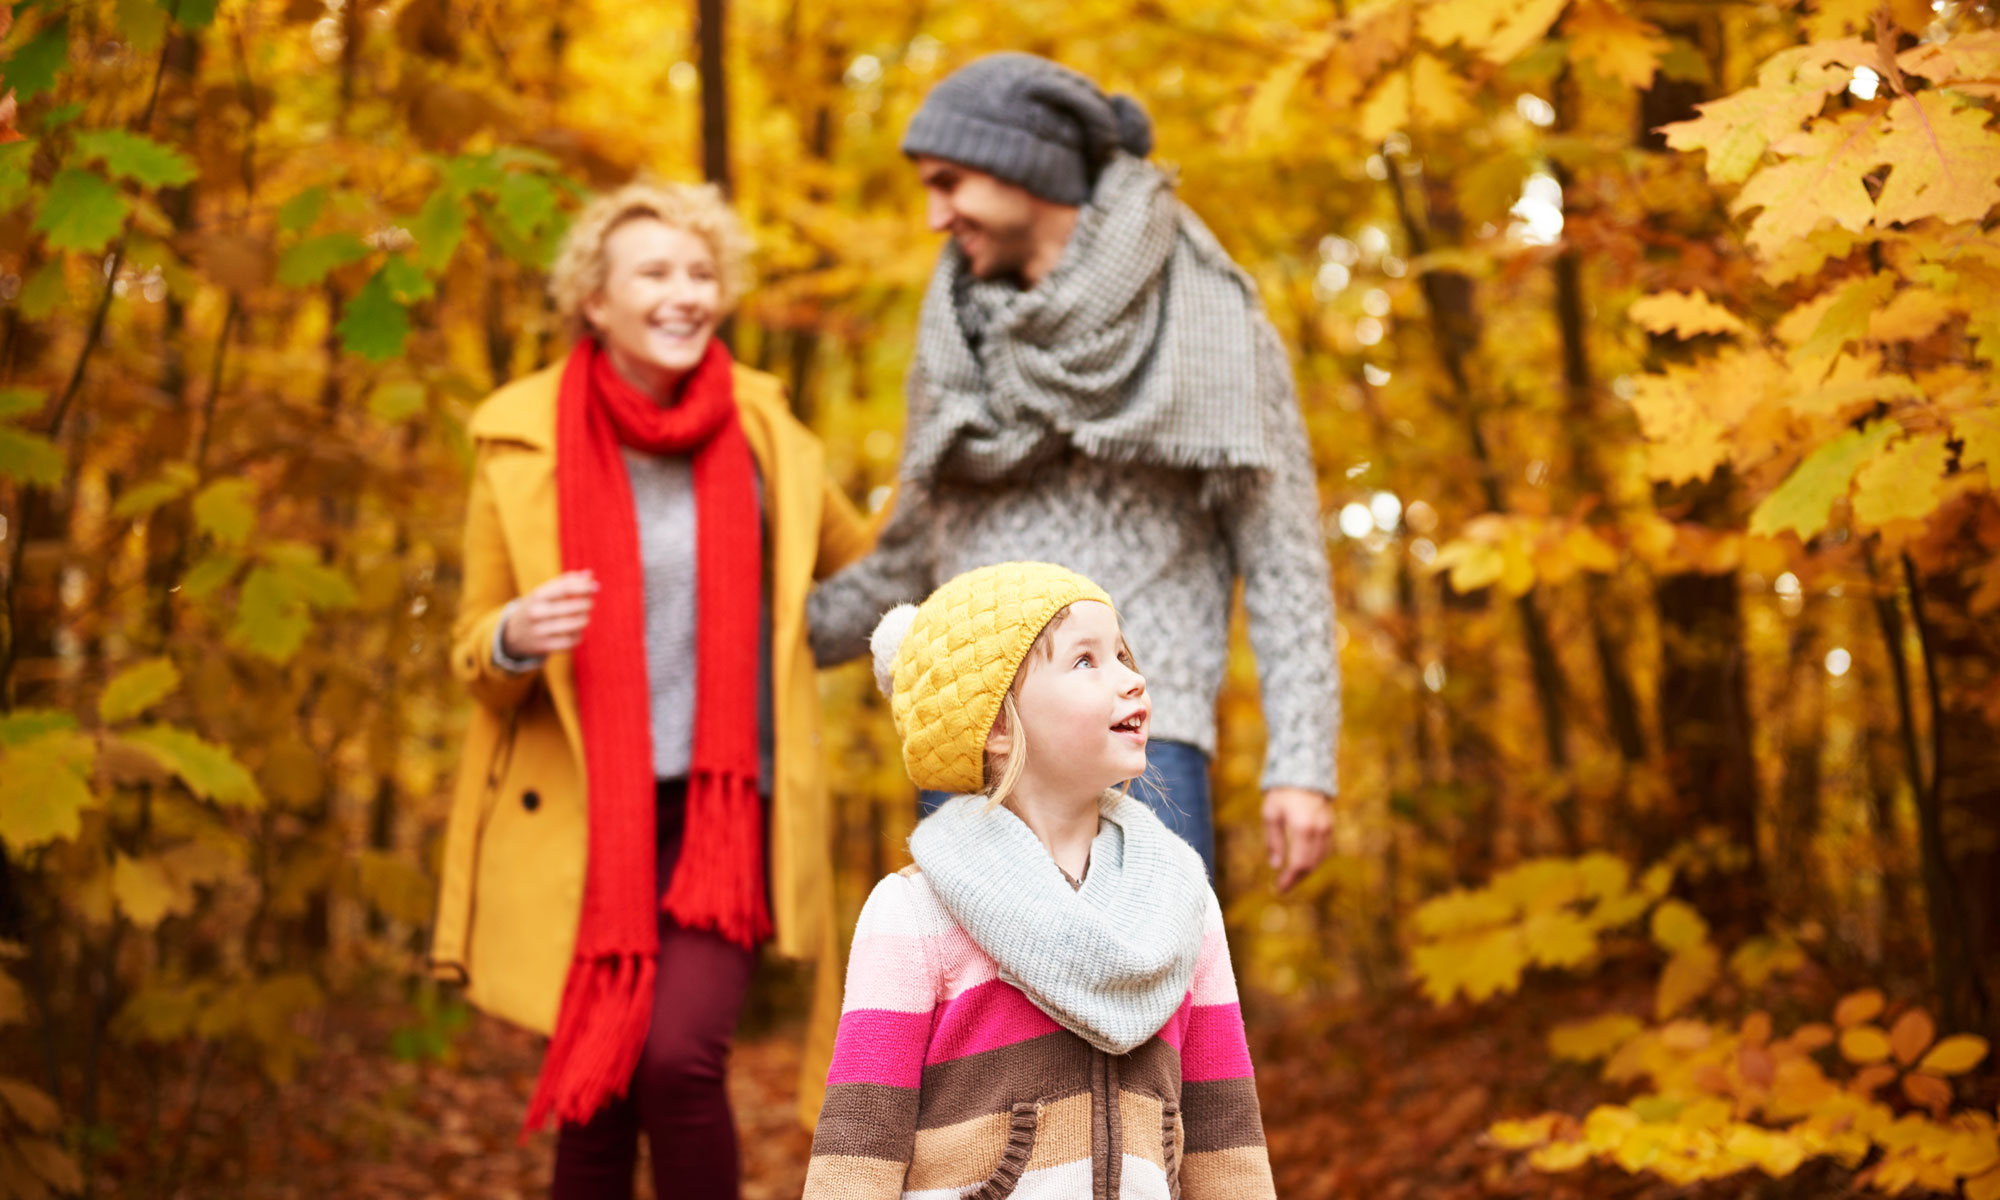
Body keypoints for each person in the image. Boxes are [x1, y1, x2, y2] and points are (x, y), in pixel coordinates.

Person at [427, 179, 871, 1200]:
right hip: (584, 818)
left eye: (701, 273)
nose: (684, 294)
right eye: (655, 273)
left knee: (675, 1058)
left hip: (722, 819)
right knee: (596, 1085)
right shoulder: (519, 443)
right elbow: (471, 650)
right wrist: (511, 637)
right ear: (595, 300)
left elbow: (871, 567)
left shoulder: (767, 435)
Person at [806, 51, 1339, 890]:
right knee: (974, 1024)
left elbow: (1281, 548)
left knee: (1142, 1018)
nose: (933, 216)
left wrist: (1303, 761)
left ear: (1028, 169)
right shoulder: (955, 332)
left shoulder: (1206, 316)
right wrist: (777, 633)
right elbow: (912, 553)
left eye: (949, 182)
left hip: (1139, 742)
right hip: (969, 740)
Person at [803, 561, 1276, 1198]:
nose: (1132, 679)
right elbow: (856, 1156)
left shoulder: (1183, 905)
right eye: (1086, 661)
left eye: (1123, 654)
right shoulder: (914, 914)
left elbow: (1229, 1144)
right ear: (998, 725)